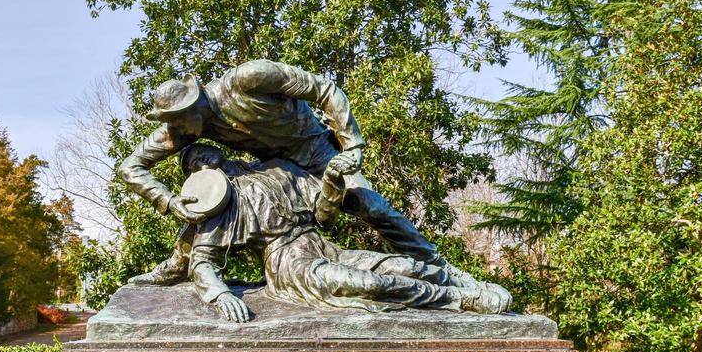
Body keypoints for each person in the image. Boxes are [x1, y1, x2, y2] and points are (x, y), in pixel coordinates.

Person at [118, 59, 484, 291]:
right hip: (278, 174)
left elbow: (325, 90)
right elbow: (130, 167)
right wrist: (168, 201)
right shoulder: (187, 128)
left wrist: (351, 144)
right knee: (217, 198)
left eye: (176, 119)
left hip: (317, 153)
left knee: (370, 206)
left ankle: (442, 268)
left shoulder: (249, 79)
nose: (173, 129)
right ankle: (178, 266)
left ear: (194, 103)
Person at [176, 144, 511, 322]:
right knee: (371, 285)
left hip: (322, 245)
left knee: (401, 266)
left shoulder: (278, 169)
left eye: (202, 151)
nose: (200, 158)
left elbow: (323, 216)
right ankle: (461, 300)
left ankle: (468, 284)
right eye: (193, 164)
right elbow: (203, 260)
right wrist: (220, 295)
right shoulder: (222, 205)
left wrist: (333, 178)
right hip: (290, 264)